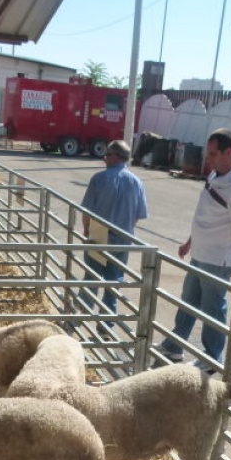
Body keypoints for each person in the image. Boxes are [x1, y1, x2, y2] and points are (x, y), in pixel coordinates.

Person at [152, 128, 231, 373]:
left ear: (228, 152)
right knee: (189, 299)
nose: (208, 159)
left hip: (220, 258)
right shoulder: (219, 174)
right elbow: (208, 213)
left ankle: (211, 359)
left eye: (212, 154)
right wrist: (191, 241)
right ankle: (174, 345)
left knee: (212, 307)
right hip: (203, 252)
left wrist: (219, 235)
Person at [77, 139, 149, 325]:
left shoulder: (99, 179)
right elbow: (138, 215)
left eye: (107, 154)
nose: (104, 158)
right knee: (113, 283)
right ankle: (106, 325)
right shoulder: (137, 182)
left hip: (98, 236)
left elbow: (87, 211)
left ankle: (79, 317)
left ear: (115, 157)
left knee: (91, 277)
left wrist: (87, 229)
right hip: (122, 240)